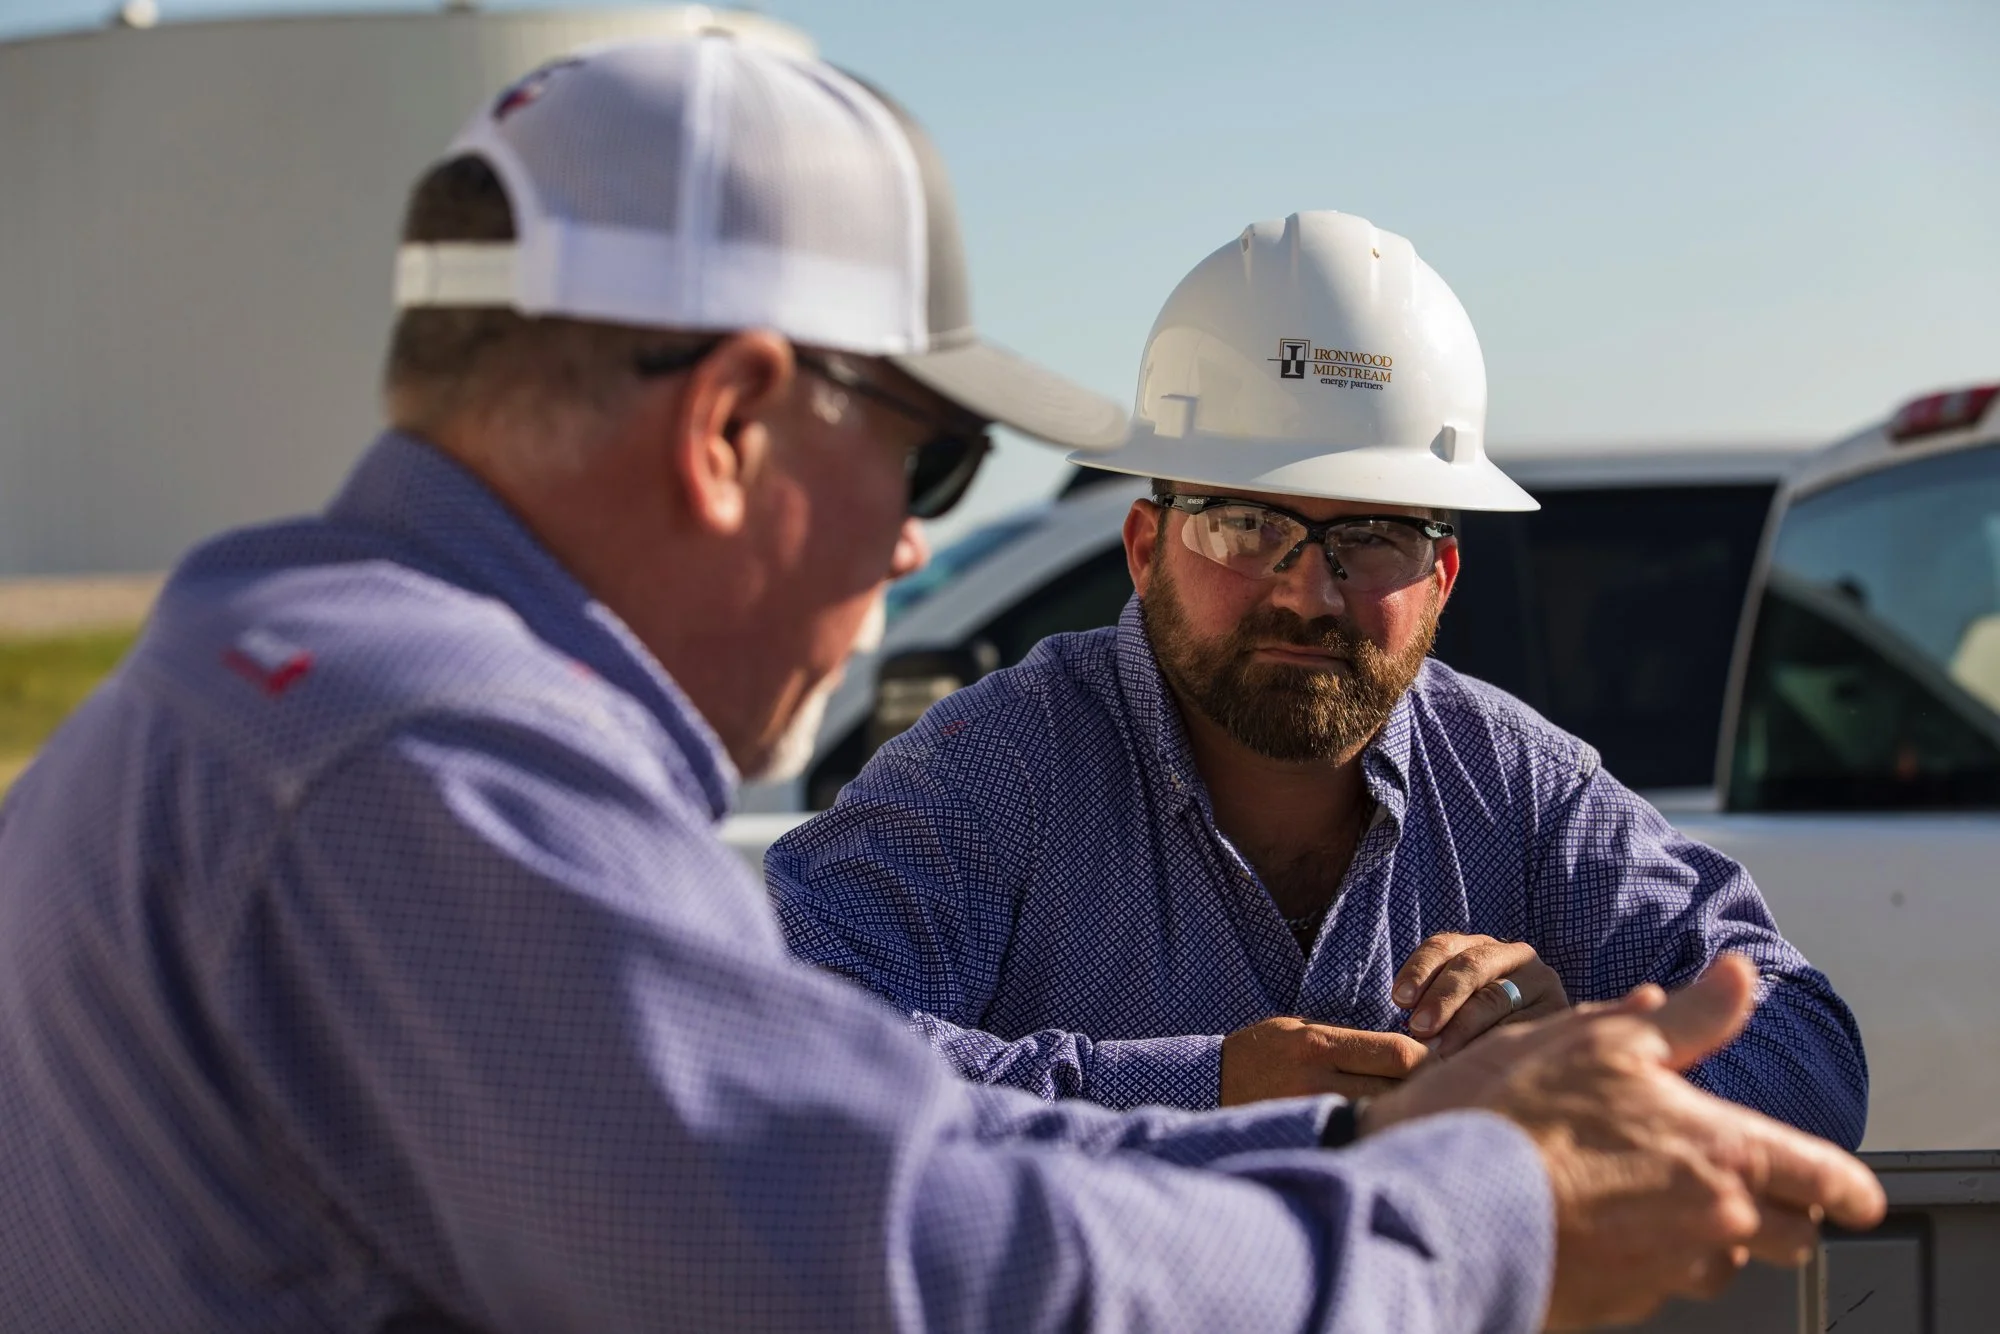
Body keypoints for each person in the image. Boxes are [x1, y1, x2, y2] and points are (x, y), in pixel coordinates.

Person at [0, 37, 1883, 1333]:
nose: (912, 549)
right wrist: (1482, 1206)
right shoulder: (436, 768)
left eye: (1378, 536)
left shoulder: (286, 684)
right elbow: (902, 1258)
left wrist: (1356, 1129)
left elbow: (845, 1149)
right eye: (928, 459)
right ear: (733, 421)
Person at [769, 210, 1869, 1148]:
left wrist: (1569, 1064)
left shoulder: (1516, 791)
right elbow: (775, 1051)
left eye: (1374, 536)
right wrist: (1202, 1091)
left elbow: (1803, 1053)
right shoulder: (1000, 773)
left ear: (1439, 575)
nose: (1307, 593)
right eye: (1245, 523)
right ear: (1146, 547)